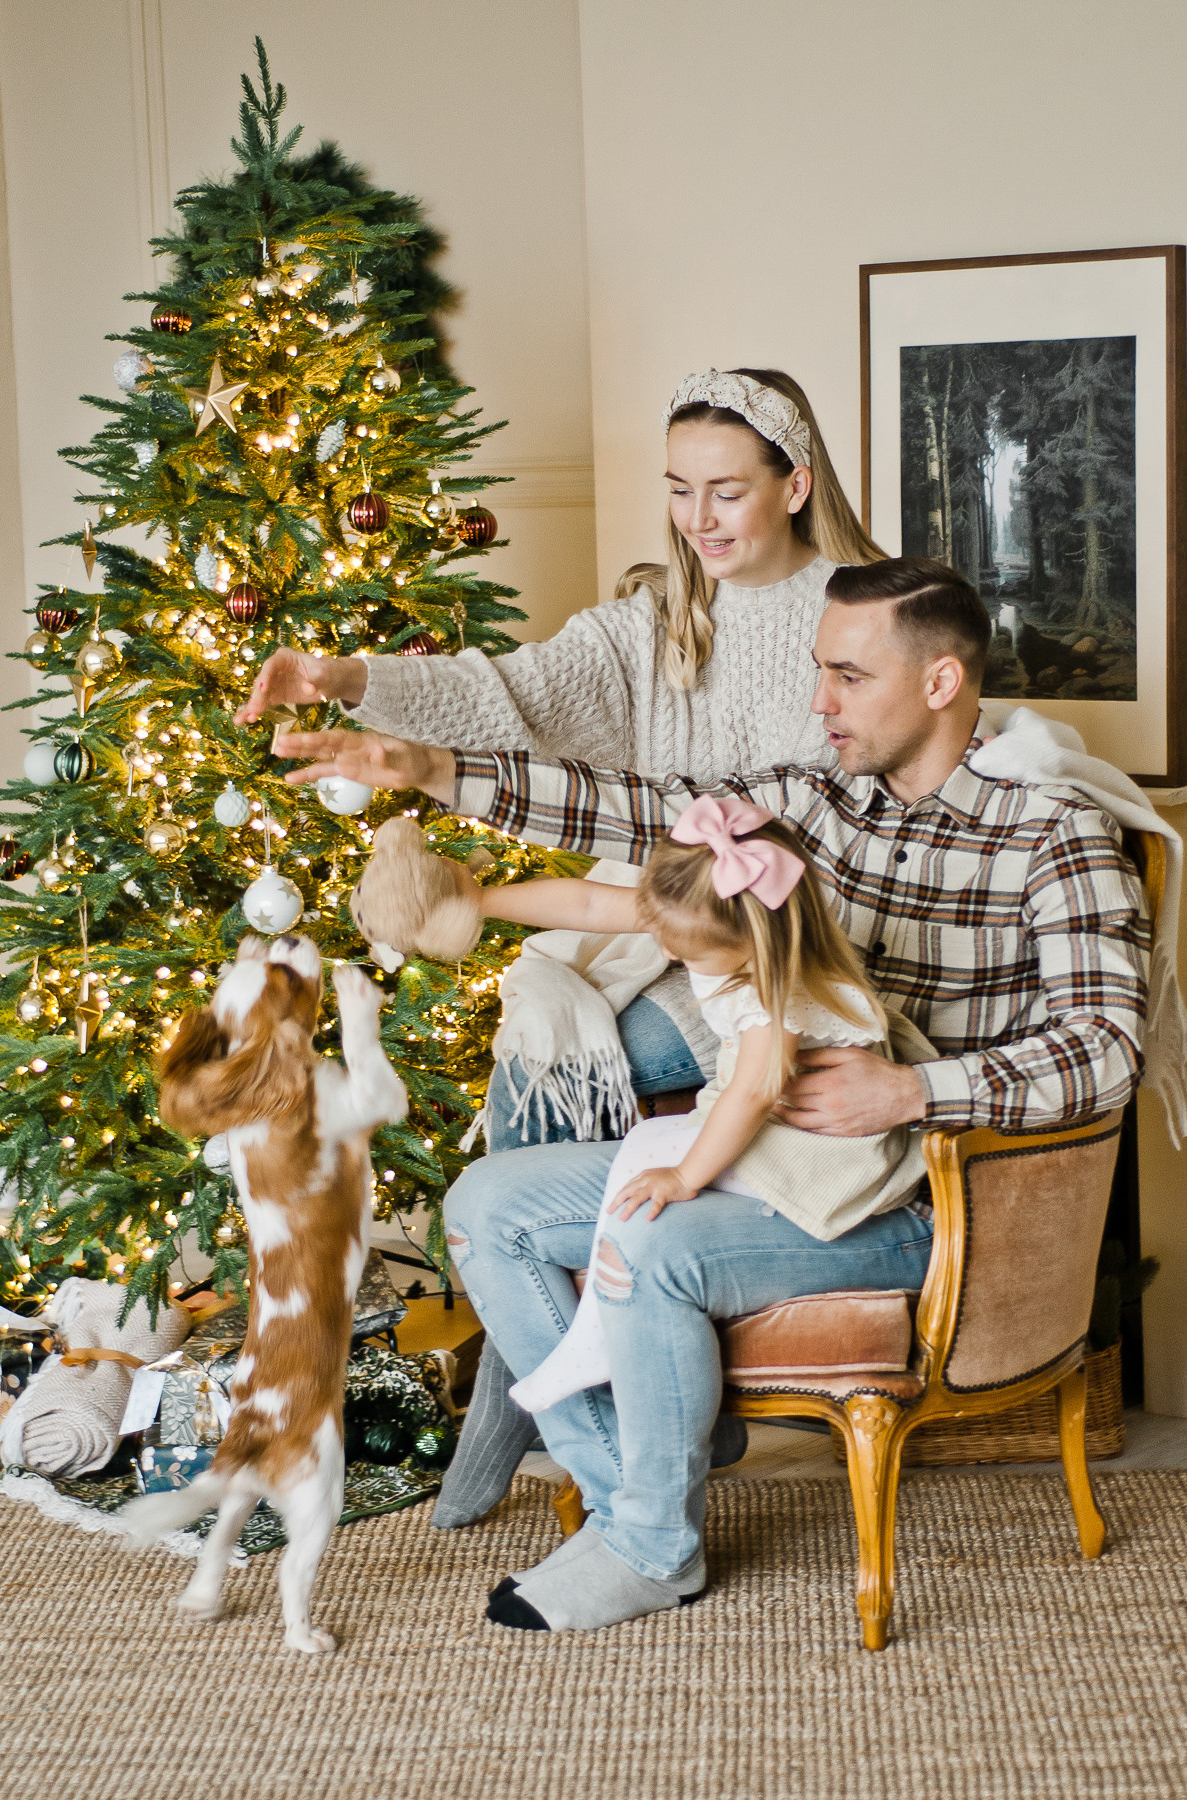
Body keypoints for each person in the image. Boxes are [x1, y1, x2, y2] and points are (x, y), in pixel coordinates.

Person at [277, 556, 1149, 1634]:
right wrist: (435, 771)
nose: (818, 700)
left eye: (846, 675)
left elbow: (1107, 1046)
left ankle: (649, 1543)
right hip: (764, 1163)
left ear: (937, 684)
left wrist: (910, 1091)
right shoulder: (811, 807)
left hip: (910, 1202)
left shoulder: (1049, 836)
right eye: (815, 671)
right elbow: (638, 815)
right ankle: (629, 1502)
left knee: (653, 1244)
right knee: (488, 1208)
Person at [239, 365, 884, 1528]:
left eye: (726, 489)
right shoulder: (652, 622)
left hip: (780, 950)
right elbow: (505, 693)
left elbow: (807, 820)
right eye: (679, 489)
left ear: (793, 483)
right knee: (542, 1025)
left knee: (605, 1044)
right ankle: (556, 1383)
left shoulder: (855, 618)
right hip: (655, 917)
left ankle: (517, 1388)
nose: (700, 518)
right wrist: (350, 680)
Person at [451, 793, 924, 1415]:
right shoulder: (707, 914)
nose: (672, 955)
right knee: (646, 1160)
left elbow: (754, 1091)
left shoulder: (779, 990)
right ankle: (591, 1342)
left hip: (816, 1156)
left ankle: (591, 1341)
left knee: (652, 1159)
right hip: (768, 1121)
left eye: (690, 952)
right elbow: (587, 902)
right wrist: (478, 901)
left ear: (756, 940)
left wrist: (684, 1175)